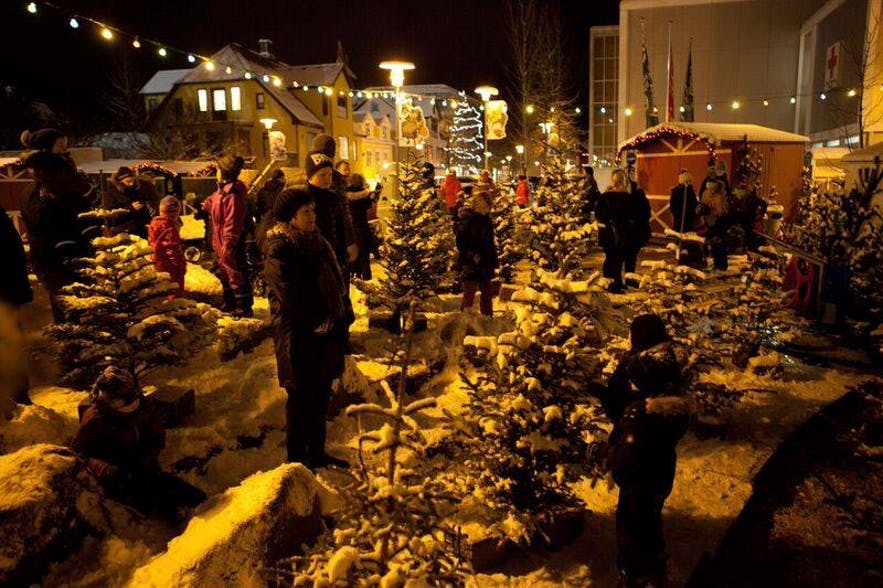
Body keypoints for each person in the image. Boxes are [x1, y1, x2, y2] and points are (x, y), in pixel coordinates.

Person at [587, 314, 689, 588]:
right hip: (661, 471)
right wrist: (605, 394)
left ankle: (637, 578)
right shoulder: (667, 390)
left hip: (639, 480)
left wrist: (603, 452)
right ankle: (655, 571)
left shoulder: (641, 416)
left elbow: (626, 464)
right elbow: (622, 405)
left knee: (632, 534)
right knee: (650, 526)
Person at [264, 188, 352, 468]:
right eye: (306, 212)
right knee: (301, 399)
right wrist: (316, 321)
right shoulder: (280, 249)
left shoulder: (318, 242)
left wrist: (339, 316)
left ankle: (317, 453)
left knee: (320, 393)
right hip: (298, 335)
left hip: (323, 333)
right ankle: (298, 461)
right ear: (291, 218)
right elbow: (288, 295)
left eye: (313, 210)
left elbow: (335, 284)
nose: (312, 216)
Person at [72, 366, 206, 522]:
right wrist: (105, 468)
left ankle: (200, 505)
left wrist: (146, 458)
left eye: (131, 398)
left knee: (166, 484)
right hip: (115, 471)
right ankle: (162, 510)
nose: (130, 404)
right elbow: (78, 453)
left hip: (141, 461)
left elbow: (157, 436)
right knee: (143, 499)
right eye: (121, 401)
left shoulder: (143, 407)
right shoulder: (95, 419)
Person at [19, 129, 100, 322]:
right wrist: (56, 202)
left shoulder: (70, 178)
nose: (66, 150)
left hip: (80, 252)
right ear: (46, 150)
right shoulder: (37, 189)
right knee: (68, 309)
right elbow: (40, 222)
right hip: (53, 259)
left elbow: (87, 204)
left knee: (87, 308)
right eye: (60, 146)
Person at [202, 155, 252, 317]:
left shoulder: (232, 196)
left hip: (228, 241)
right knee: (224, 271)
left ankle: (242, 305)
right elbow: (211, 202)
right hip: (219, 239)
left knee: (234, 272)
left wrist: (229, 242)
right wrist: (202, 207)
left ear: (223, 172)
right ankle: (230, 302)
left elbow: (232, 221)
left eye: (217, 169)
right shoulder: (221, 192)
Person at [595, 169, 651, 293]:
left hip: (609, 236)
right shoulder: (629, 198)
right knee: (622, 260)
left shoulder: (605, 197)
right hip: (626, 236)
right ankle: (621, 283)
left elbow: (599, 215)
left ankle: (613, 284)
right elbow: (636, 217)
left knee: (611, 260)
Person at [1, 201, 33, 405]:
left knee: (10, 345)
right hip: (8, 293)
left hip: (5, 295)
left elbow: (12, 254)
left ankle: (17, 395)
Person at [310, 135, 358, 267]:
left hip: (308, 240)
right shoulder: (335, 177)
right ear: (332, 153)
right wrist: (350, 241)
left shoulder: (299, 175)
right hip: (332, 238)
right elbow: (343, 212)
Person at [456, 191, 498, 316]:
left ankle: (487, 318)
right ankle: (465, 319)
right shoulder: (468, 219)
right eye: (485, 206)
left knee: (487, 291)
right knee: (470, 291)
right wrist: (472, 254)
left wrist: (492, 259)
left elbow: (489, 242)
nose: (487, 209)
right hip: (471, 262)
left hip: (484, 261)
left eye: (488, 207)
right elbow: (461, 241)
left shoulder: (487, 220)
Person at [101, 166, 159, 238]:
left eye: (133, 180)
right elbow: (110, 214)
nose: (131, 184)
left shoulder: (142, 187)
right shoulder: (112, 193)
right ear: (120, 181)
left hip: (142, 227)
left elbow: (154, 202)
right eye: (128, 181)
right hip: (122, 230)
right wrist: (131, 208)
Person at [148, 196, 187, 298]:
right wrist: (181, 266)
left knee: (163, 291)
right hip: (171, 266)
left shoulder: (155, 223)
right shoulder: (170, 228)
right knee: (174, 292)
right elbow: (172, 250)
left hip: (157, 261)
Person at [343, 171, 376, 280]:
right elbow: (368, 206)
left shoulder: (345, 194)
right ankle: (366, 276)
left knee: (353, 253)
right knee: (364, 253)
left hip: (350, 227)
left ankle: (354, 274)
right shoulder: (364, 194)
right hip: (362, 226)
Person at [698, 180, 730, 271]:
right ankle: (720, 265)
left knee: (716, 243)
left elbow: (703, 205)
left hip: (712, 222)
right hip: (716, 222)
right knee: (719, 243)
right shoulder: (719, 197)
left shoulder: (706, 193)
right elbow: (721, 212)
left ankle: (718, 264)